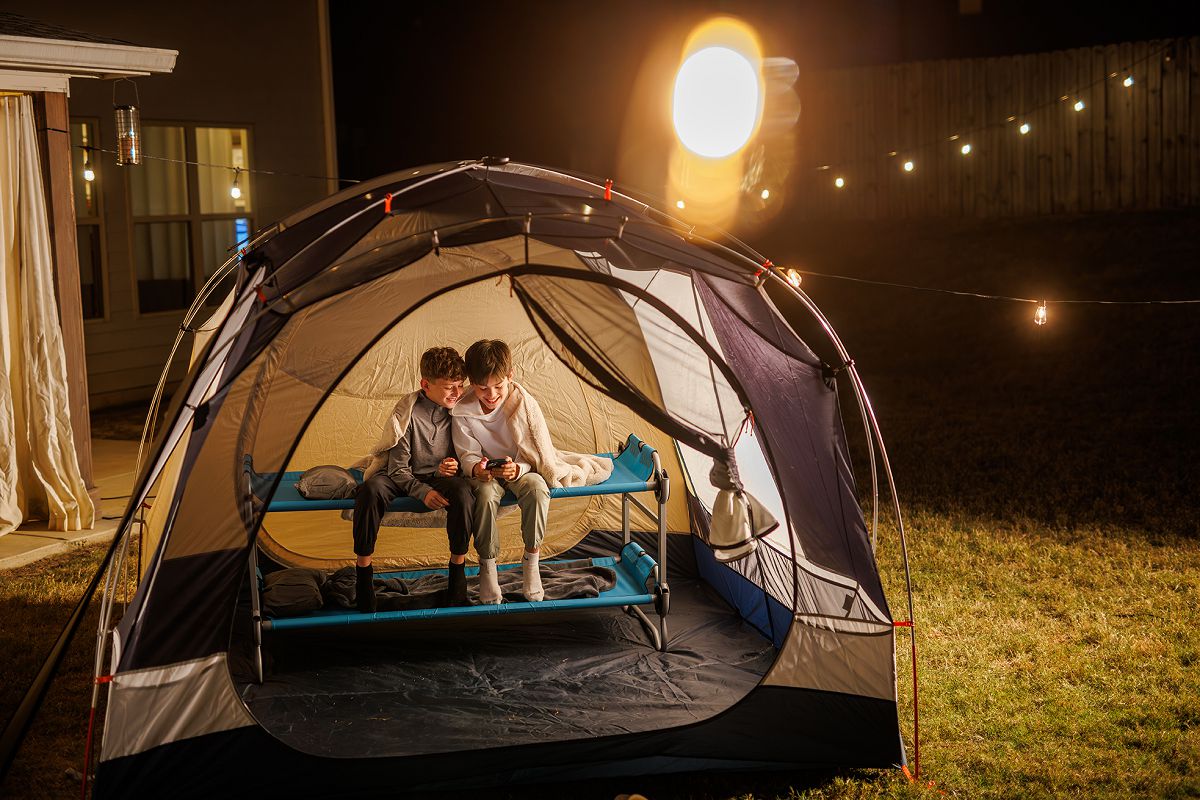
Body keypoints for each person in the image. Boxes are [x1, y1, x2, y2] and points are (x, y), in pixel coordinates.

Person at [451, 340, 614, 604]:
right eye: (482, 388)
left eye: (498, 386)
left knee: (538, 489)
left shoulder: (524, 403)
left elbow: (537, 452)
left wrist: (519, 468)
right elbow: (466, 453)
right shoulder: (462, 411)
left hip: (520, 467)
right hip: (486, 475)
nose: (491, 394)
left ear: (510, 376)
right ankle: (488, 569)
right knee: (483, 495)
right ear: (471, 382)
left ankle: (531, 563)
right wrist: (476, 469)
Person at [352, 347, 474, 612]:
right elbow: (397, 469)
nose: (457, 393)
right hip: (402, 475)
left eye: (460, 386)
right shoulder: (406, 412)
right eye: (449, 387)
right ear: (425, 385)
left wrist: (451, 467)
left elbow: (467, 453)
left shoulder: (461, 410)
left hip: (438, 477)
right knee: (370, 489)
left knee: (463, 492)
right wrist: (422, 492)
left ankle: (457, 576)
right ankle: (363, 576)